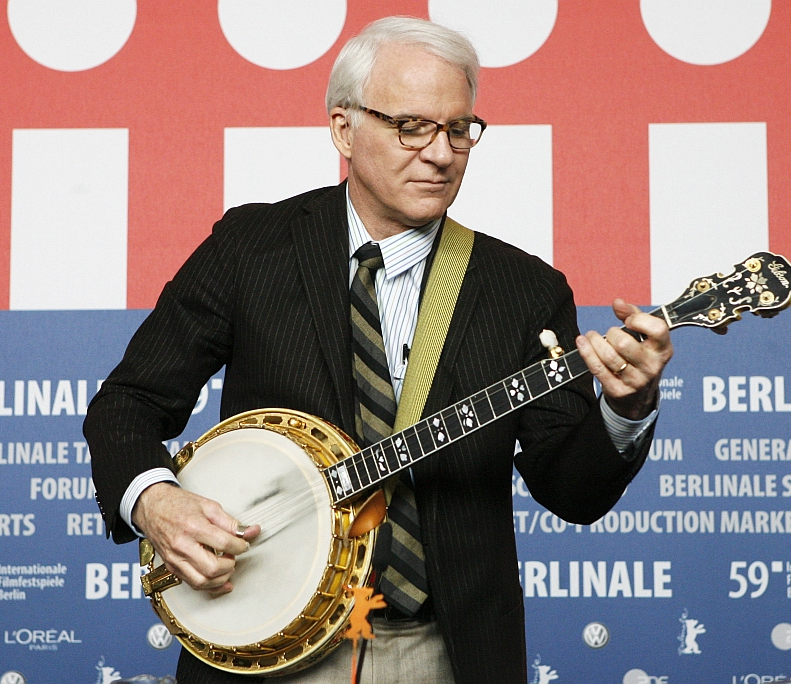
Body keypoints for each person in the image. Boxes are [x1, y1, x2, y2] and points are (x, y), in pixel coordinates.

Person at [83, 16, 673, 684]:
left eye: (458, 129)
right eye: (411, 126)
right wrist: (156, 501)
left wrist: (627, 407)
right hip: (264, 642)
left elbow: (573, 490)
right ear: (343, 129)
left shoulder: (524, 291)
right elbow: (127, 405)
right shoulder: (250, 249)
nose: (441, 153)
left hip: (441, 652)